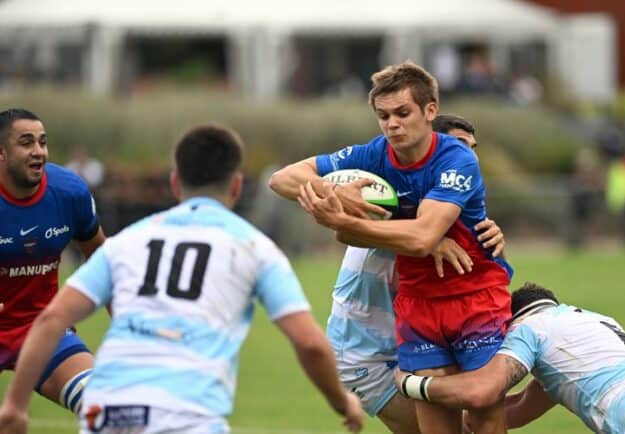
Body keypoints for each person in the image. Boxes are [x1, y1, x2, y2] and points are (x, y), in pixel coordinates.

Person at [0, 124, 364, 434]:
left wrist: (15, 405)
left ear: (175, 184)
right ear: (236, 187)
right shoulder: (254, 248)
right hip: (189, 416)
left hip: (109, 413)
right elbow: (311, 344)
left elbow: (51, 319)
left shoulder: (127, 241)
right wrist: (342, 402)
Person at [270, 62, 513, 434]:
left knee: (482, 414)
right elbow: (283, 180)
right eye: (384, 115)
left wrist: (345, 219)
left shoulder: (455, 165)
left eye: (402, 113)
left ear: (429, 113)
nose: (392, 124)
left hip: (468, 305)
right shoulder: (376, 160)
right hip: (376, 337)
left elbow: (411, 236)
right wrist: (334, 193)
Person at [319, 114, 505, 433]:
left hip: (412, 341)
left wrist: (495, 238)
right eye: (460, 146)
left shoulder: (445, 207)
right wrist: (428, 243)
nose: (469, 156)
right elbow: (349, 233)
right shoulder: (392, 203)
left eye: (473, 148)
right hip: (364, 356)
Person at [395, 282, 625, 434]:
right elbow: (515, 411)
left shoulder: (531, 329)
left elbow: (483, 391)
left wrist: (412, 383)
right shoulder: (592, 321)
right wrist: (468, 421)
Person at [0, 108, 106, 415]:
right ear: (2, 153)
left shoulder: (68, 192)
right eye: (26, 142)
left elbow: (104, 260)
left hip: (41, 329)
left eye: (42, 142)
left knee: (107, 410)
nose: (38, 152)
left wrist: (128, 331)